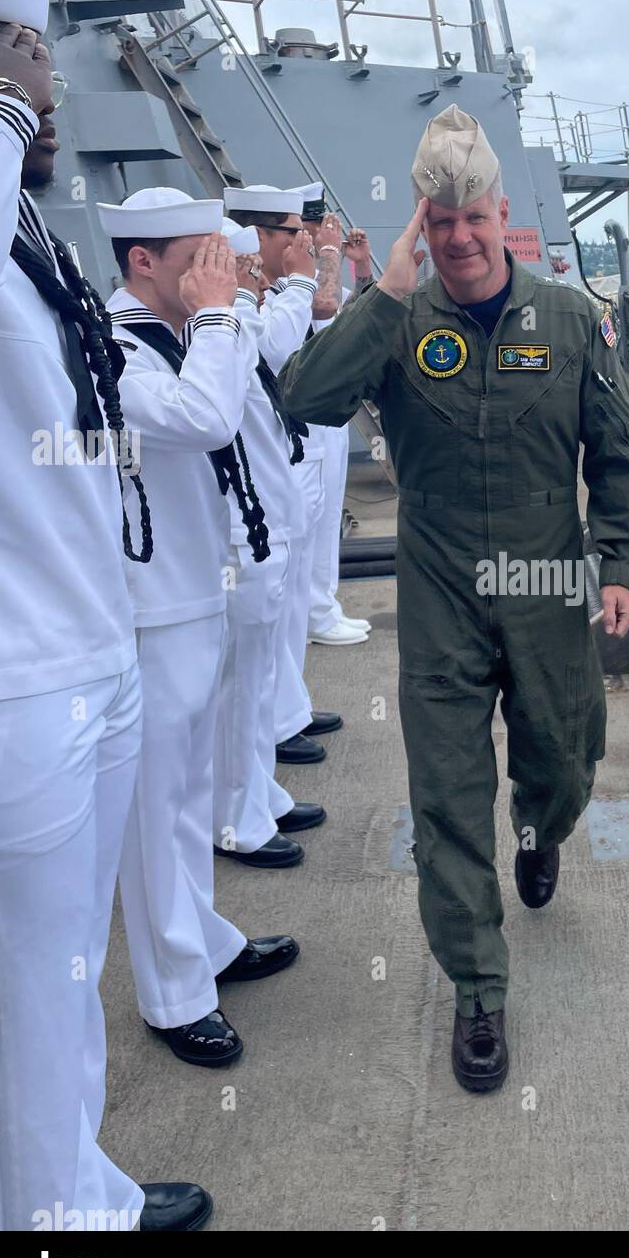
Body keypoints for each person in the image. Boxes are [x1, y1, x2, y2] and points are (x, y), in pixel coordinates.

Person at [281, 104, 629, 1093]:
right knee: (444, 802)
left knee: (562, 762)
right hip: (438, 593)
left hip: (547, 589)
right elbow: (300, 401)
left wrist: (618, 562)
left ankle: (544, 828)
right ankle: (478, 989)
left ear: (501, 214)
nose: (457, 237)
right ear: (421, 226)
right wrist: (383, 295)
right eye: (436, 223)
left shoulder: (571, 318)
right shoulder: (400, 318)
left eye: (471, 217)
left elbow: (616, 452)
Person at [0, 0, 208, 1229]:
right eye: (14, 66)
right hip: (12, 687)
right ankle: (51, 1244)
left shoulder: (13, 230)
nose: (41, 97)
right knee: (20, 995)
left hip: (82, 650)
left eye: (41, 73)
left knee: (40, 993)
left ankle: (70, 1199)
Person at [98, 188, 299, 1065]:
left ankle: (203, 942)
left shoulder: (185, 330)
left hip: (195, 593)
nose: (217, 273)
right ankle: (173, 995)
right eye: (199, 258)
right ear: (143, 263)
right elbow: (203, 418)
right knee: (153, 809)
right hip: (148, 607)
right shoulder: (110, 348)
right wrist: (221, 315)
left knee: (182, 797)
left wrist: (228, 305)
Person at [210, 217, 325, 869]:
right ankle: (237, 818)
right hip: (233, 538)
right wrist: (298, 283)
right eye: (248, 269)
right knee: (235, 690)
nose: (258, 279)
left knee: (252, 685)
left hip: (260, 527)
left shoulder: (233, 322)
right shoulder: (215, 332)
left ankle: (255, 794)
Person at [224, 182, 347, 766]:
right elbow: (276, 351)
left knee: (291, 596)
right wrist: (307, 273)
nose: (301, 239)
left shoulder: (264, 291)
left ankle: (287, 706)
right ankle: (273, 720)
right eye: (289, 231)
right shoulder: (242, 297)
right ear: (257, 236)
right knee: (270, 606)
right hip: (261, 480)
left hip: (288, 461)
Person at [300, 190, 373, 645]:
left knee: (326, 521)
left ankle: (323, 608)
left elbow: (356, 312)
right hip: (301, 425)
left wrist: (360, 265)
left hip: (328, 423)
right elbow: (324, 309)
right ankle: (313, 614)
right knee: (306, 526)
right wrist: (328, 254)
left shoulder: (313, 276)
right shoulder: (288, 282)